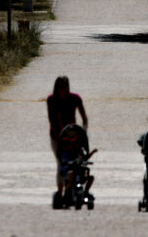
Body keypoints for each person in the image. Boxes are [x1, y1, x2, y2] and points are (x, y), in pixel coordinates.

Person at [47, 76, 87, 206]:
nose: (63, 90)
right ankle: (60, 191)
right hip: (57, 136)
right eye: (60, 87)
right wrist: (59, 137)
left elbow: (84, 118)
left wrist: (83, 132)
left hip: (73, 135)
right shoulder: (51, 100)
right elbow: (52, 120)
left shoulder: (75, 98)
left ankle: (69, 189)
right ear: (56, 88)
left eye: (65, 87)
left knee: (75, 163)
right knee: (61, 163)